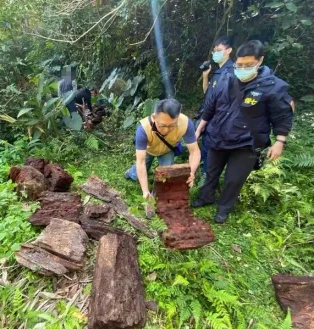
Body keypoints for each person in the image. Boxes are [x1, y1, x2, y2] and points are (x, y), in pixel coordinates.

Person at [192, 40, 294, 224]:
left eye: (248, 65)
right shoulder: (226, 77)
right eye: (239, 64)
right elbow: (211, 104)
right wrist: (200, 127)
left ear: (260, 61)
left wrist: (280, 141)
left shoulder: (273, 86)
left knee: (234, 179)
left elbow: (282, 115)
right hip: (218, 134)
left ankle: (223, 209)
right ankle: (205, 197)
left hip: (247, 141)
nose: (242, 68)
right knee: (211, 171)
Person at [125, 99, 201, 202]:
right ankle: (131, 173)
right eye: (162, 125)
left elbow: (195, 152)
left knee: (166, 177)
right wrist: (145, 190)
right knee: (138, 174)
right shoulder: (143, 129)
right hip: (148, 150)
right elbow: (141, 161)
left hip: (166, 150)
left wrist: (191, 172)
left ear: (178, 118)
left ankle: (154, 199)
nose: (166, 130)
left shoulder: (186, 123)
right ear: (154, 117)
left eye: (172, 126)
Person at [196, 36, 235, 177]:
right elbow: (208, 93)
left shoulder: (231, 73)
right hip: (207, 117)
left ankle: (206, 183)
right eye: (214, 50)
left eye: (219, 50)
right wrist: (206, 76)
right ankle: (204, 179)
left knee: (210, 153)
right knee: (205, 150)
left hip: (217, 122)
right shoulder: (218, 72)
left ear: (229, 50)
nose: (215, 53)